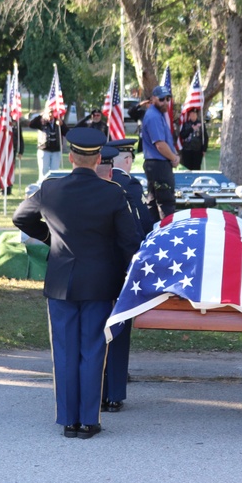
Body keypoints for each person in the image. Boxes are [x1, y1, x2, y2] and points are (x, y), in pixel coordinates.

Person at [12, 128, 142, 439]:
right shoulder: (113, 193)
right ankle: (88, 421)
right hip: (100, 283)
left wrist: (50, 238)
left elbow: (21, 218)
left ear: (71, 157)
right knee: (93, 350)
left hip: (61, 283)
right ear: (98, 159)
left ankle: (69, 420)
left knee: (65, 352)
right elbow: (130, 242)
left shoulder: (50, 189)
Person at [101, 138, 152, 412]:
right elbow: (143, 226)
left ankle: (95, 388)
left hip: (92, 268)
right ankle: (114, 392)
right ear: (127, 160)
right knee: (118, 329)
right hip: (120, 267)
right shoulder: (130, 186)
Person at [140, 85, 180, 222]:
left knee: (153, 201)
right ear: (153, 99)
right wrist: (174, 158)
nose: (166, 102)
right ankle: (166, 237)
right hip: (158, 165)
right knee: (166, 203)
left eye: (168, 98)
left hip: (157, 165)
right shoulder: (153, 116)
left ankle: (153, 232)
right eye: (162, 99)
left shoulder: (158, 114)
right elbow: (160, 145)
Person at [34, 113, 65, 179]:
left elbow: (66, 132)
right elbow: (31, 124)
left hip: (56, 150)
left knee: (55, 172)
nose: (50, 115)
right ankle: (42, 187)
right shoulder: (42, 122)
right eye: (49, 113)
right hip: (44, 150)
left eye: (52, 112)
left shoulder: (58, 122)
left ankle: (53, 187)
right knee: (43, 171)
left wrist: (62, 125)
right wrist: (40, 116)